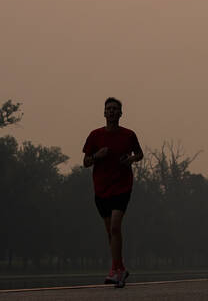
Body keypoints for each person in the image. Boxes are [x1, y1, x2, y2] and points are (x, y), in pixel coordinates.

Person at [83, 97, 144, 288]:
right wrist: (96, 156)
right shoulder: (95, 136)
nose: (111, 111)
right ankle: (118, 268)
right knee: (110, 232)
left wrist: (131, 160)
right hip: (101, 188)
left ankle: (116, 271)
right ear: (104, 113)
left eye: (115, 109)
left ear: (120, 113)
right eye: (108, 109)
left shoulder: (128, 135)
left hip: (122, 186)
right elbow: (85, 162)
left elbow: (139, 154)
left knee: (116, 227)